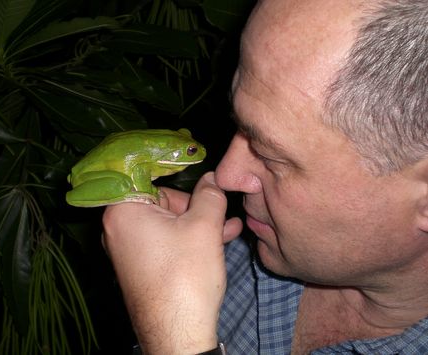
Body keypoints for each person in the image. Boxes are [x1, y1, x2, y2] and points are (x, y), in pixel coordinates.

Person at [102, 0, 428, 353]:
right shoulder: (227, 253)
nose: (225, 177)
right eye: (239, 127)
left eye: (272, 157)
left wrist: (173, 336)